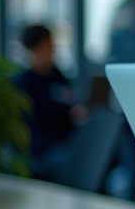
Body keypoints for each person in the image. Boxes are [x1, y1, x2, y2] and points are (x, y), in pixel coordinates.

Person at [12, 24, 83, 180]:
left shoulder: (57, 75)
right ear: (35, 48)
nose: (53, 50)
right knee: (78, 161)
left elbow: (69, 101)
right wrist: (66, 112)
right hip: (44, 148)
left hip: (69, 139)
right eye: (48, 45)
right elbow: (35, 117)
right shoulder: (23, 83)